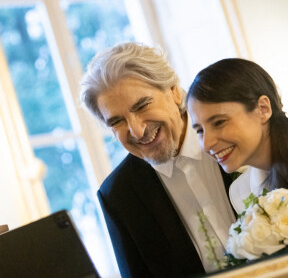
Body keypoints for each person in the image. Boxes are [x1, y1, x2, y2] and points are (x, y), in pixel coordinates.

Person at [80, 42, 236, 277]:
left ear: (173, 91)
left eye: (142, 105)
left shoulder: (237, 134)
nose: (137, 130)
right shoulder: (118, 195)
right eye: (117, 122)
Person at [186, 58, 288, 214]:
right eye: (200, 131)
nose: (207, 144)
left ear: (263, 109)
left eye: (219, 122)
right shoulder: (240, 193)